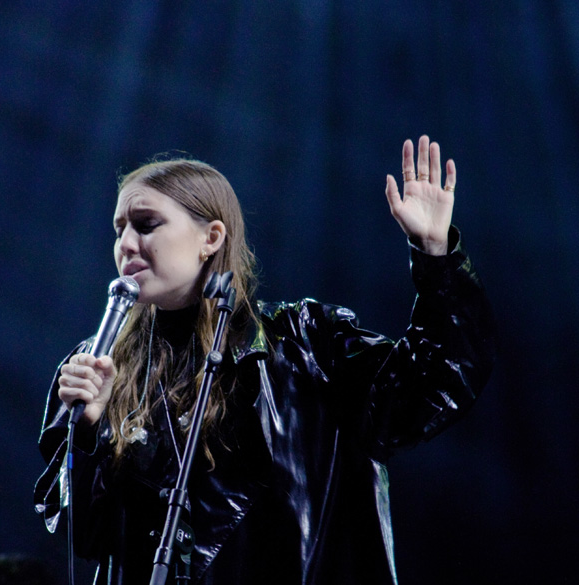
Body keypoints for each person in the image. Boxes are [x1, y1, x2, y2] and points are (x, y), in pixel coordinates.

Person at [33, 136, 495, 584]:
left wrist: (436, 258)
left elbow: (432, 386)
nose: (126, 245)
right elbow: (84, 535)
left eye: (146, 225)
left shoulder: (305, 343)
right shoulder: (96, 368)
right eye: (119, 230)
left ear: (211, 237)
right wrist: (89, 434)